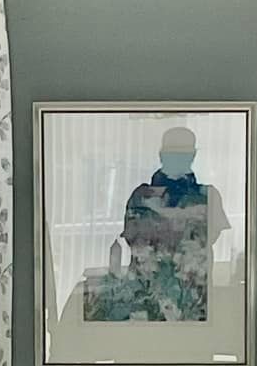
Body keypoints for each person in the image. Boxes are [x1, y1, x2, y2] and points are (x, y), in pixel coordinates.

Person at [86, 127, 229, 323]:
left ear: (193, 155)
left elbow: (210, 238)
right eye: (174, 153)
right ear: (161, 155)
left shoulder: (208, 195)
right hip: (147, 300)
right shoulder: (141, 196)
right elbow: (134, 241)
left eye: (184, 154)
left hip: (193, 301)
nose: (179, 159)